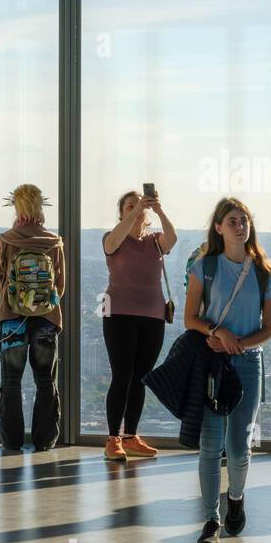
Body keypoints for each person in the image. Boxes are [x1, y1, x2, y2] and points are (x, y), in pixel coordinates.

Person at [185, 197, 271, 543]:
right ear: (219, 227)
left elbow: (268, 329)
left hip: (246, 364)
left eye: (244, 220)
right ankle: (211, 518)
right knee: (210, 447)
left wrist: (238, 342)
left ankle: (236, 496)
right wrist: (216, 334)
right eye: (232, 221)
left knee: (238, 447)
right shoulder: (204, 267)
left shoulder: (263, 273)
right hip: (212, 362)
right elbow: (190, 318)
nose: (240, 226)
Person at [100, 189, 178, 460]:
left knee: (140, 378)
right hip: (118, 314)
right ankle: (113, 439)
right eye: (129, 206)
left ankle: (131, 436)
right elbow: (111, 245)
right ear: (122, 212)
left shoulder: (155, 241)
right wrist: (136, 211)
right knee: (122, 376)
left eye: (138, 205)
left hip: (152, 315)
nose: (135, 208)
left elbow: (172, 239)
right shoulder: (114, 239)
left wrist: (158, 209)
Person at [0, 183, 66, 452]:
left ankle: (12, 441)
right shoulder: (53, 242)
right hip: (46, 318)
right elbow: (60, 284)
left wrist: (16, 301)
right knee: (45, 380)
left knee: (11, 381)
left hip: (12, 319)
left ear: (17, 206)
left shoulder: (6, 240)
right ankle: (44, 440)